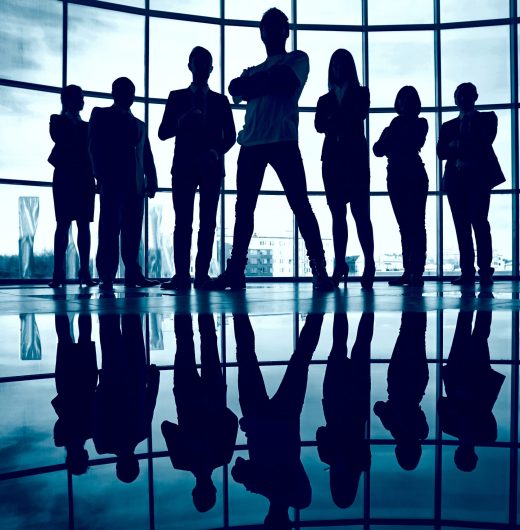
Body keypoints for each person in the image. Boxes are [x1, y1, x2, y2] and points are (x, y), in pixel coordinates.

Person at [206, 8, 334, 292]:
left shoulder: (297, 59)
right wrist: (264, 82)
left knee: (299, 205)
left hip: (279, 141)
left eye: (277, 26)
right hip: (255, 143)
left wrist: (255, 85)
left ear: (285, 32)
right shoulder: (263, 69)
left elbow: (277, 82)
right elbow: (235, 88)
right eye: (268, 26)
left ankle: (319, 270)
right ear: (262, 33)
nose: (273, 31)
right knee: (248, 210)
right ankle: (237, 271)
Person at [231, 312, 323, 529]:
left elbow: (298, 495)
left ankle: (318, 313)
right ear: (267, 519)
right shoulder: (259, 485)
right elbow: (238, 468)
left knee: (301, 358)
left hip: (285, 420)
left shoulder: (298, 496)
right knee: (246, 356)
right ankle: (238, 310)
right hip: (259, 420)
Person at [159, 47, 236, 291]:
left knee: (207, 223)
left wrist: (214, 153)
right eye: (199, 63)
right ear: (190, 66)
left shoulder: (221, 101)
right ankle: (184, 275)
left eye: (206, 64)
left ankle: (199, 275)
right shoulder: (176, 97)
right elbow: (163, 132)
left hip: (209, 167)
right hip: (184, 167)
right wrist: (181, 121)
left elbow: (232, 136)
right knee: (184, 222)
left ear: (211, 69)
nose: (202, 67)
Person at [161, 314, 238, 512]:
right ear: (194, 491)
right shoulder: (180, 460)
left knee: (209, 341)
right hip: (187, 397)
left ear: (213, 488)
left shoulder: (223, 457)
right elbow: (166, 427)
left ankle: (204, 302)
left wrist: (216, 409)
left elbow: (231, 420)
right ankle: (183, 299)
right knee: (184, 342)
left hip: (214, 394)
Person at [89, 77, 159, 291]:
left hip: (135, 185)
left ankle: (132, 274)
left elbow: (146, 153)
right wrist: (99, 175)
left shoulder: (140, 124)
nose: (129, 95)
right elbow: (94, 146)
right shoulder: (101, 114)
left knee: (132, 231)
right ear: (114, 92)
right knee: (109, 229)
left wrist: (152, 178)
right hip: (112, 181)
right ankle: (107, 275)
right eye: (124, 90)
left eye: (131, 91)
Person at [315, 49, 375, 289]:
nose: (337, 68)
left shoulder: (361, 93)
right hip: (332, 163)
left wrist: (334, 120)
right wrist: (340, 119)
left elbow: (355, 115)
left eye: (341, 64)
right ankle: (340, 264)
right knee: (338, 215)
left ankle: (368, 262)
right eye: (334, 65)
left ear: (348, 67)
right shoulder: (325, 100)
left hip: (355, 163)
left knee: (361, 215)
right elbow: (320, 125)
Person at [437, 82, 505, 286]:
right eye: (460, 95)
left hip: (476, 181)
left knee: (479, 224)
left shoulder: (487, 118)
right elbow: (441, 153)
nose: (463, 99)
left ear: (475, 97)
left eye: (466, 95)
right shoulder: (449, 125)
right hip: (459, 182)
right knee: (463, 227)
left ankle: (483, 271)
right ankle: (470, 271)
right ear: (456, 99)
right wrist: (462, 145)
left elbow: (483, 141)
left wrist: (455, 145)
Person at [93, 314, 160, 483]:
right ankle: (107, 292)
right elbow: (96, 410)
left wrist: (153, 379)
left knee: (132, 328)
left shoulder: (142, 432)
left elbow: (150, 401)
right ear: (117, 465)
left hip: (135, 377)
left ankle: (129, 289)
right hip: (112, 378)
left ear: (136, 462)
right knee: (110, 330)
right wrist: (101, 385)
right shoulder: (103, 444)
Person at [316, 312, 373, 508]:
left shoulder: (362, 463)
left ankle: (367, 306)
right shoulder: (327, 456)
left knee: (361, 346)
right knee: (339, 345)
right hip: (334, 401)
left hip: (357, 404)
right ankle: (341, 305)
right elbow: (321, 432)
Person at [373, 86, 429, 286]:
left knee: (413, 224)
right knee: (407, 225)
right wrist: (391, 141)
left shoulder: (413, 124)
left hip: (406, 175)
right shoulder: (405, 125)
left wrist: (390, 139)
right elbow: (378, 150)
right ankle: (412, 271)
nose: (404, 104)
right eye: (401, 100)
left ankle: (415, 271)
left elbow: (384, 147)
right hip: (402, 174)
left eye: (407, 100)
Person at [438, 311, 504, 472]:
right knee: (464, 331)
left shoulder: (487, 435)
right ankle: (469, 297)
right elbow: (442, 402)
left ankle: (482, 298)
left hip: (477, 378)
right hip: (458, 376)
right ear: (456, 452)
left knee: (479, 333)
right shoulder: (448, 427)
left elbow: (485, 412)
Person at [48, 85, 96, 288]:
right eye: (80, 98)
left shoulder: (86, 126)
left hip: (82, 178)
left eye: (83, 98)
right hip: (67, 179)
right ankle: (59, 272)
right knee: (63, 224)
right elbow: (60, 138)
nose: (83, 101)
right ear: (68, 100)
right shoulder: (58, 120)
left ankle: (84, 271)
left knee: (83, 225)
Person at [373, 312, 429, 470]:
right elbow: (378, 407)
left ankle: (417, 302)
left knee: (419, 336)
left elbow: (421, 415)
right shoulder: (391, 425)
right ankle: (411, 301)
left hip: (417, 384)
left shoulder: (421, 432)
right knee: (405, 333)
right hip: (397, 382)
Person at [51, 314, 98, 475]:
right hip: (67, 387)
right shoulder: (61, 438)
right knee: (65, 340)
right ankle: (61, 306)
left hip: (85, 385)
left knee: (82, 338)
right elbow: (61, 418)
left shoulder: (91, 431)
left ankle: (83, 303)